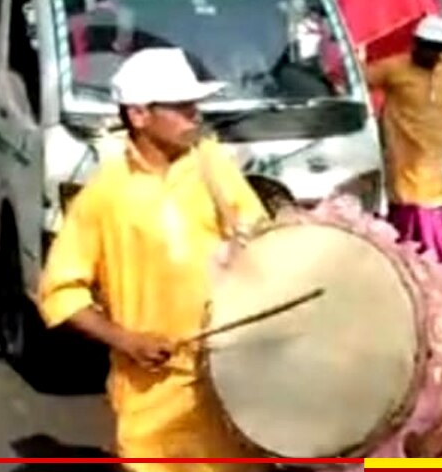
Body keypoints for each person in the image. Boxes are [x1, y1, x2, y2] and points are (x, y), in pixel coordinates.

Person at [37, 47, 270, 471]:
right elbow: (59, 292)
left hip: (231, 389)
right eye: (181, 107)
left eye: (194, 105)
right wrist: (127, 340)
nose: (194, 116)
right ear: (139, 115)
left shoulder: (215, 166)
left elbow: (264, 246)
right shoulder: (104, 193)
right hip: (151, 398)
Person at [364, 15, 442, 264]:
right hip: (407, 169)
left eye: (436, 47)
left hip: (441, 168)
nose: (429, 52)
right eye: (425, 44)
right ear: (415, 42)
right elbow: (354, 82)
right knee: (415, 248)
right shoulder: (392, 68)